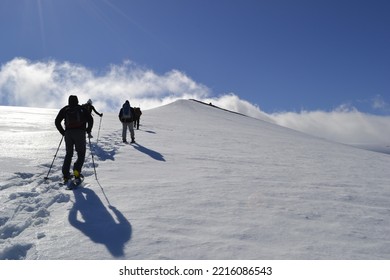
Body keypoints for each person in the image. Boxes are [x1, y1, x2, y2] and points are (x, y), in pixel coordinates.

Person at [55, 95, 93, 184]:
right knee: (81, 153)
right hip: (80, 132)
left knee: (69, 153)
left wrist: (63, 132)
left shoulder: (65, 109)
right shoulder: (82, 109)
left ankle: (65, 174)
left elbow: (57, 121)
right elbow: (90, 119)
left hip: (68, 133)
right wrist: (88, 129)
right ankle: (76, 172)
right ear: (77, 100)